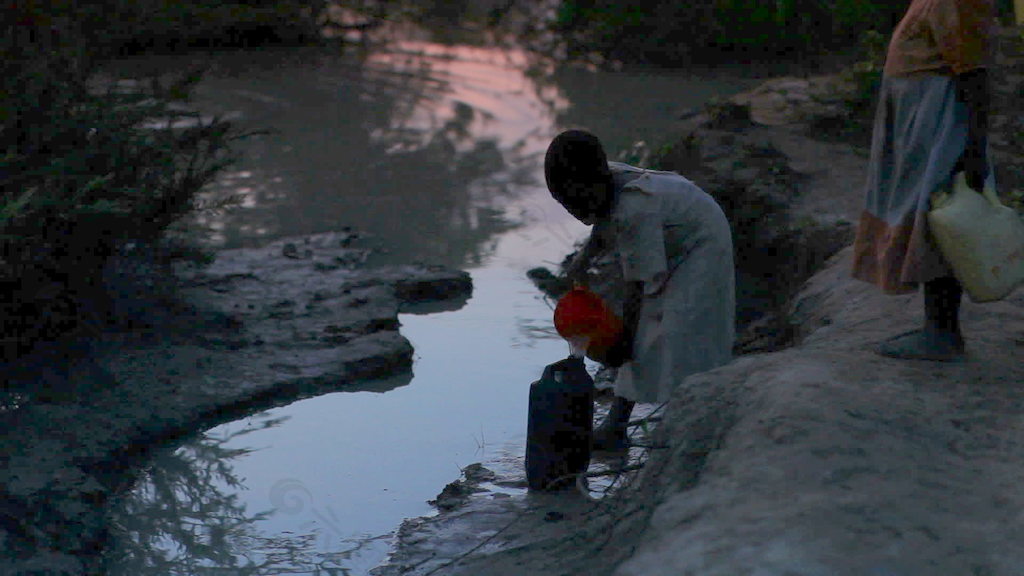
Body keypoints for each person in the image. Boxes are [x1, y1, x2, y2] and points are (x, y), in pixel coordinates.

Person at [544, 130, 735, 450]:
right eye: (564, 204)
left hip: (702, 243)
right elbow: (604, 224)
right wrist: (583, 259)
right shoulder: (609, 182)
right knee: (645, 333)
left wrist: (622, 340)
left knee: (682, 332)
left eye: (575, 201)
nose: (573, 211)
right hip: (676, 238)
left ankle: (689, 423)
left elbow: (638, 285)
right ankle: (616, 426)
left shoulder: (635, 208)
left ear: (594, 184)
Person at [851, 0, 995, 361]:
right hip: (925, 116)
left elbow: (974, 72)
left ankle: (942, 333)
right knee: (930, 216)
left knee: (939, 220)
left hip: (939, 116)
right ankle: (938, 327)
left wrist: (973, 147)